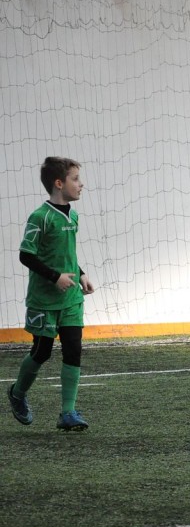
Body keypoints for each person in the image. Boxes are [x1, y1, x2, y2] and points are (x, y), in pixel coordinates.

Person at [7, 157, 96, 430]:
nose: (81, 184)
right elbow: (26, 255)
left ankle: (68, 413)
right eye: (75, 179)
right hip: (44, 300)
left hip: (71, 299)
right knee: (42, 352)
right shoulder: (40, 217)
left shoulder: (74, 216)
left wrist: (81, 274)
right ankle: (17, 393)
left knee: (73, 350)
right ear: (59, 183)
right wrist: (55, 277)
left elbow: (66, 254)